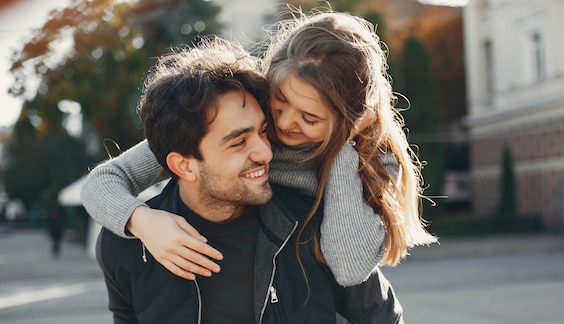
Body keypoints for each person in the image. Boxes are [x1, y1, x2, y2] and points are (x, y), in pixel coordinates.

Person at [96, 35, 410, 324]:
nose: (267, 148)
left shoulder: (311, 224)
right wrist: (138, 220)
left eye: (263, 131)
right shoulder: (129, 242)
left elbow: (379, 319)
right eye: (238, 142)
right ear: (182, 165)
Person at [81, 9, 437, 284]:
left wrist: (344, 150)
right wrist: (143, 221)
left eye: (310, 119)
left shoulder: (372, 160)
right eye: (279, 100)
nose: (283, 124)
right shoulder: (241, 120)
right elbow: (103, 181)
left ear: (350, 118)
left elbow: (348, 268)